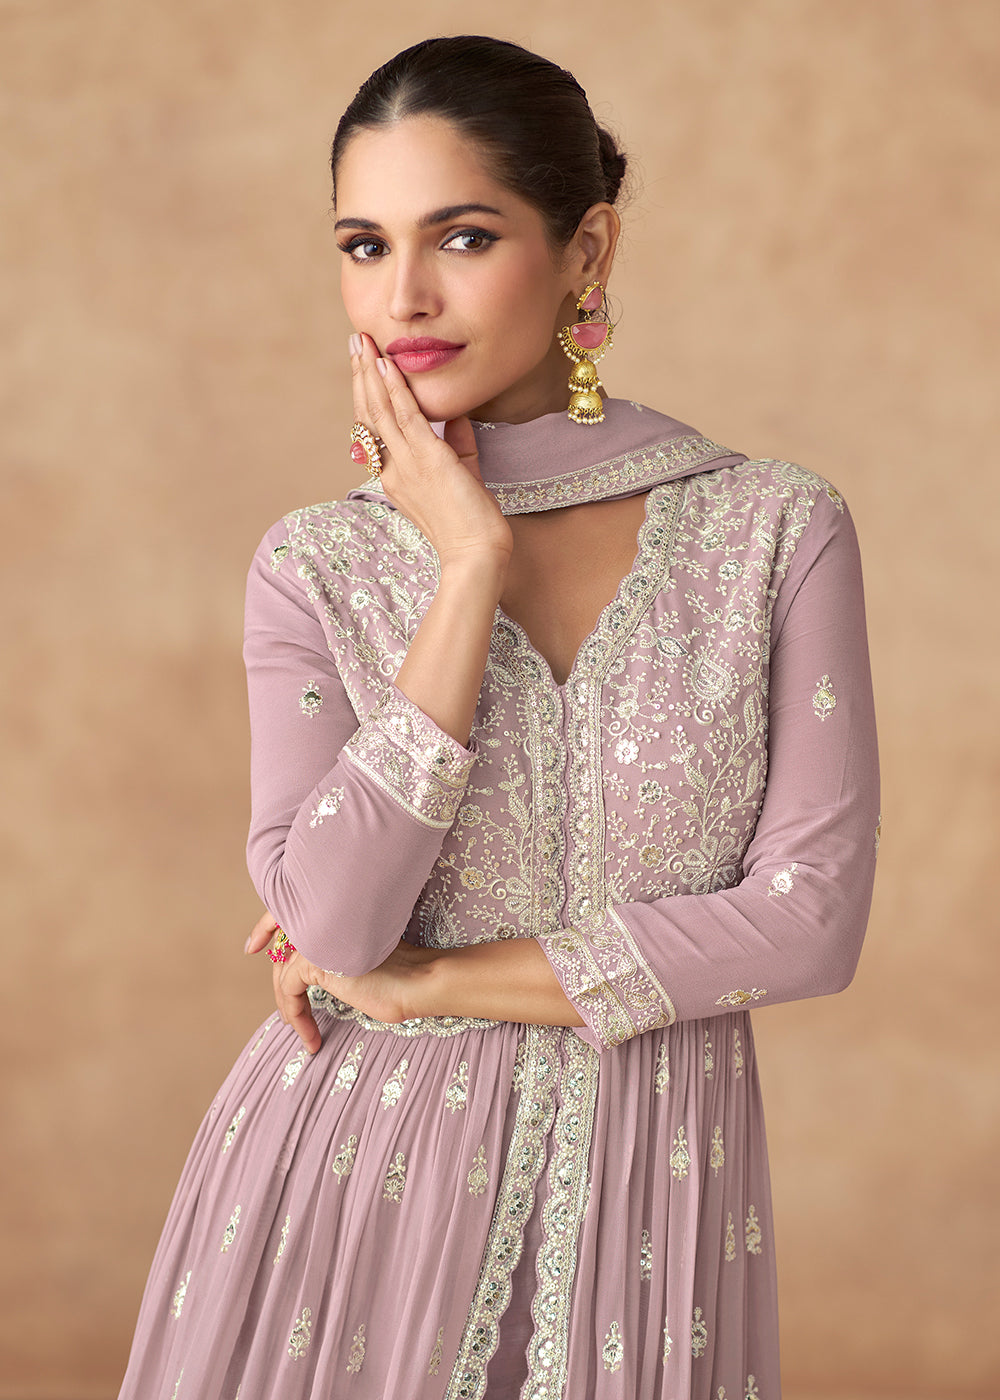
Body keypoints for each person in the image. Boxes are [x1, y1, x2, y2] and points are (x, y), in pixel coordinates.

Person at [118, 34, 879, 1400]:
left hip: (655, 1214)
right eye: (363, 246)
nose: (403, 295)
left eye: (461, 237)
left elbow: (810, 924)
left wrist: (430, 985)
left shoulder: (773, 530)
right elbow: (336, 923)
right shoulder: (319, 566)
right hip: (349, 1211)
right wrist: (467, 566)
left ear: (588, 250)